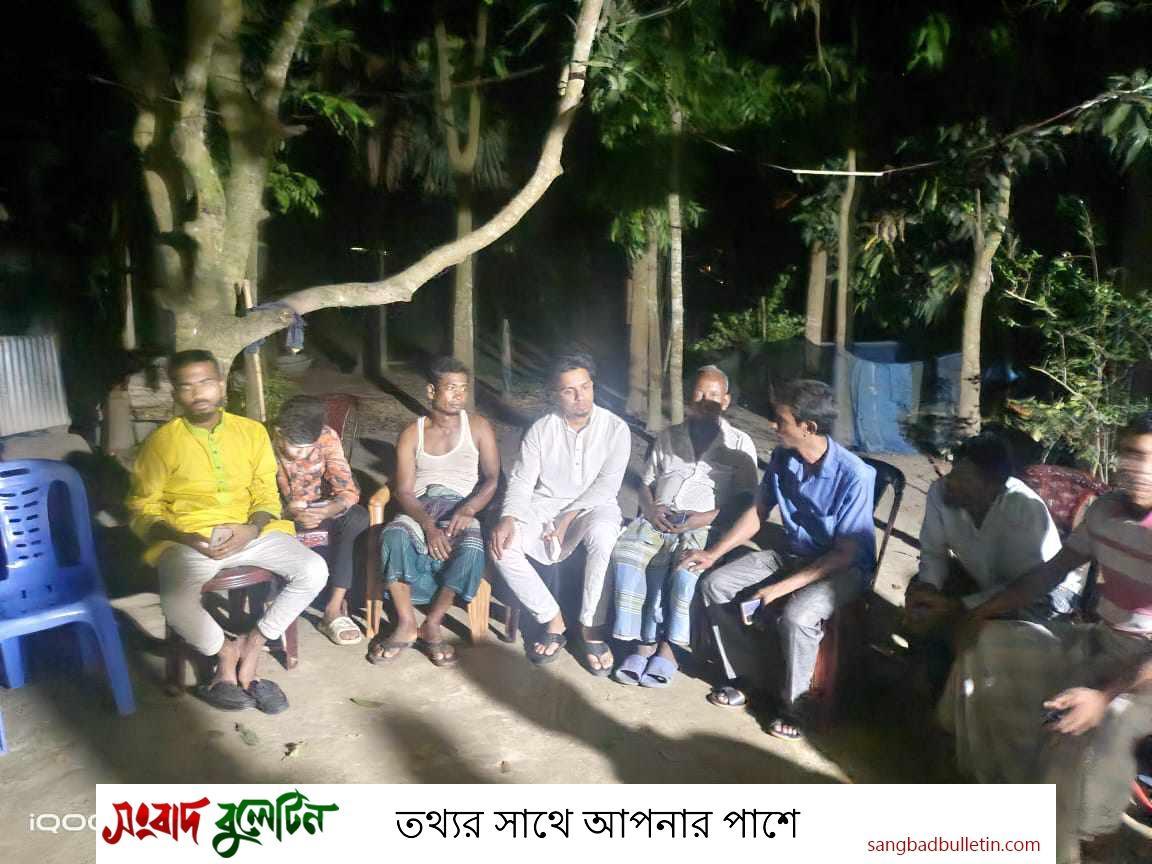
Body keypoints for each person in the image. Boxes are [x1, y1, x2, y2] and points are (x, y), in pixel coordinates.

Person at [938, 412, 1152, 864]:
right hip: (1101, 641)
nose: (1138, 469)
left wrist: (1102, 696)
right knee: (992, 644)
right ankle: (1006, 790)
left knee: (1078, 732)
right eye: (1131, 455)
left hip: (1143, 675)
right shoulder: (1106, 510)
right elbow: (1051, 572)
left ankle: (1081, 838)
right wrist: (981, 612)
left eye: (1149, 458)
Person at [126, 350, 327, 713]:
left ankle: (253, 645)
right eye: (186, 386)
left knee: (314, 570)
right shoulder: (161, 443)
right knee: (176, 601)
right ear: (176, 393)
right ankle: (225, 652)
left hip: (251, 531)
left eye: (205, 382)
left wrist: (252, 528)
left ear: (221, 386)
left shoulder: (251, 432)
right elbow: (143, 508)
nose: (197, 392)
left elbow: (266, 493)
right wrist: (185, 538)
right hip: (191, 538)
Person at [679, 379, 875, 741]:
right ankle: (746, 677)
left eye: (781, 420)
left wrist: (777, 589)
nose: (773, 425)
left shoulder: (855, 475)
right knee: (715, 584)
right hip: (793, 554)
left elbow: (844, 553)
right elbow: (757, 512)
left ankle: (794, 706)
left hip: (842, 568)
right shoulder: (784, 458)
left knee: (799, 615)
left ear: (808, 427)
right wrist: (713, 554)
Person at [610, 365, 759, 688]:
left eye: (714, 395)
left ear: (726, 400)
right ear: (689, 398)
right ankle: (642, 643)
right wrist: (651, 509)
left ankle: (670, 649)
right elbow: (645, 484)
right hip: (658, 519)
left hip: (705, 526)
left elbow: (746, 501)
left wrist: (701, 519)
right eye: (700, 393)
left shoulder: (739, 443)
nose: (706, 401)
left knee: (684, 570)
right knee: (628, 555)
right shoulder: (669, 436)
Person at [490, 352, 630, 675]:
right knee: (502, 546)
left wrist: (567, 518)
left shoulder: (615, 428)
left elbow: (607, 486)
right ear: (555, 394)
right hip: (545, 505)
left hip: (595, 506)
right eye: (570, 390)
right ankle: (552, 619)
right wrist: (509, 517)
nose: (581, 396)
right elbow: (523, 481)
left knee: (603, 535)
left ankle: (591, 628)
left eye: (586, 386)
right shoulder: (541, 429)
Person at [903, 433, 1080, 689]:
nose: (952, 482)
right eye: (954, 472)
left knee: (973, 628)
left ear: (993, 486)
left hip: (1042, 596)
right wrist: (929, 590)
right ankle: (927, 685)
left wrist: (957, 606)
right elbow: (934, 553)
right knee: (921, 597)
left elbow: (1025, 587)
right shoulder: (941, 493)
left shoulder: (1024, 508)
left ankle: (963, 694)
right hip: (987, 584)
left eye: (965, 478)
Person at [367, 357, 500, 667]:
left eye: (463, 388)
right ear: (431, 391)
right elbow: (404, 491)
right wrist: (428, 526)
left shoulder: (478, 427)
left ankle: (433, 622)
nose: (458, 395)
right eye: (451, 388)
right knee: (394, 535)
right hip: (422, 506)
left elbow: (493, 478)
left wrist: (469, 509)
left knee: (472, 546)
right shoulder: (412, 433)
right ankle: (406, 623)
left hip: (461, 506)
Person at [273, 396, 369, 646]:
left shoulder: (326, 437)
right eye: (296, 448)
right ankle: (273, 606)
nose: (303, 455)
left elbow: (347, 488)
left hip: (321, 510)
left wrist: (328, 510)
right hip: (280, 514)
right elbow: (255, 497)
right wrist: (286, 512)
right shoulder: (262, 441)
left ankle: (333, 610)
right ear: (279, 432)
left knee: (357, 518)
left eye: (309, 448)